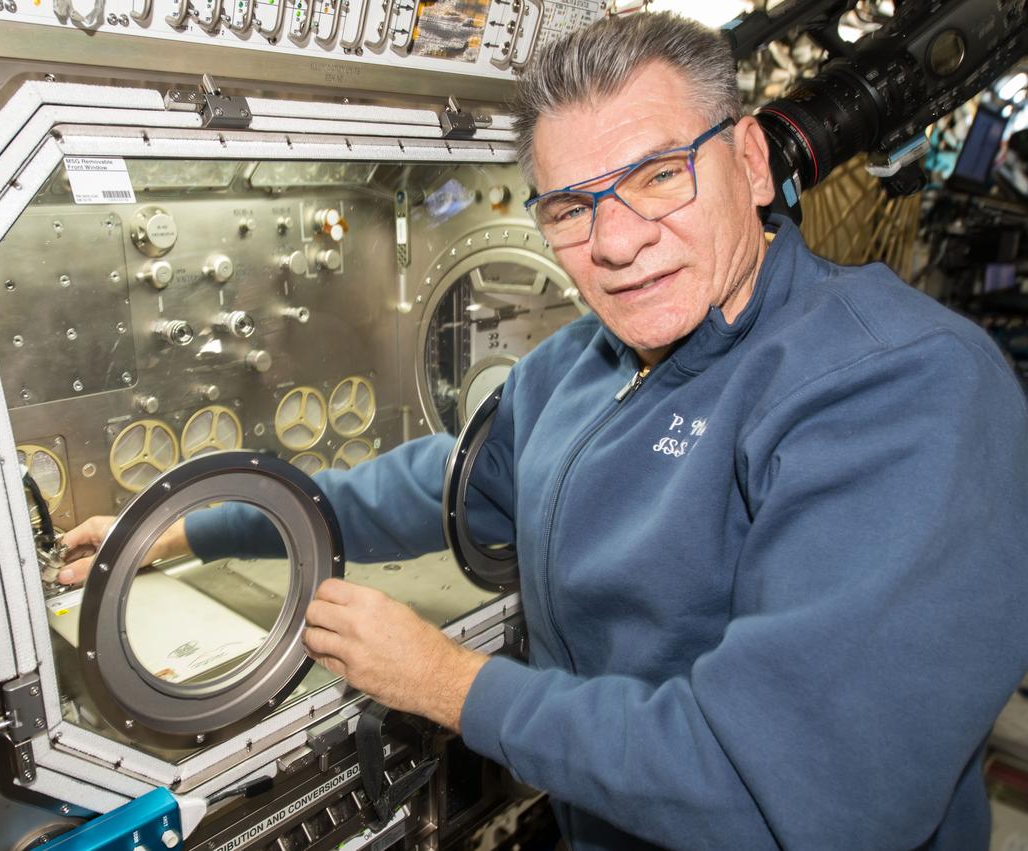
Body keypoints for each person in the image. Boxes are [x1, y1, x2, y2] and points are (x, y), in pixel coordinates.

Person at [60, 13, 1028, 849]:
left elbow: (787, 792)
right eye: (571, 206)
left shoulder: (902, 390)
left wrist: (451, 682)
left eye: (655, 176)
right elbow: (445, 483)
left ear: (750, 163)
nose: (613, 240)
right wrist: (195, 524)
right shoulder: (581, 364)